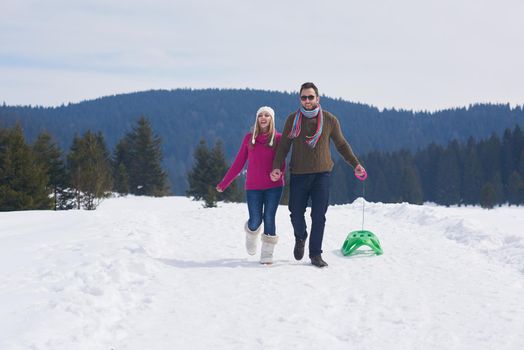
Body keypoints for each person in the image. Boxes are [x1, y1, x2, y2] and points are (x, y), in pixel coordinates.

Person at [270, 82, 366, 268]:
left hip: (322, 175)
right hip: (298, 174)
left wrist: (355, 164)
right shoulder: (293, 120)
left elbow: (341, 145)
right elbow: (283, 147)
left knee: (319, 215)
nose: (307, 101)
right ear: (300, 99)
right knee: (295, 212)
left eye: (310, 97)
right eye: (304, 97)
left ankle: (315, 254)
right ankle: (301, 236)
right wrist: (276, 167)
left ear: (317, 98)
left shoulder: (329, 120)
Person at [217, 106, 285, 264]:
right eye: (260, 115)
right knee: (255, 219)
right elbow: (239, 163)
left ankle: (267, 254)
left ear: (272, 119)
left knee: (269, 217)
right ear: (257, 119)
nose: (263, 117)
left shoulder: (279, 138)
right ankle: (251, 233)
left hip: (274, 186)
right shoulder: (249, 139)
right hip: (253, 186)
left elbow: (282, 161)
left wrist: (278, 172)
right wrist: (224, 183)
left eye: (267, 115)